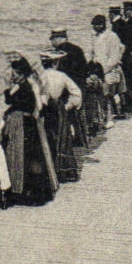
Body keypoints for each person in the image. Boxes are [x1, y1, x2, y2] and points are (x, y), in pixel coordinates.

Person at [2, 55, 57, 204]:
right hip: (23, 124)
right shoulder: (21, 86)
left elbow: (17, 102)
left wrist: (11, 99)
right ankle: (20, 190)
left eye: (17, 74)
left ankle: (24, 192)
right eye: (13, 74)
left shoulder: (26, 87)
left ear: (23, 74)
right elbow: (9, 99)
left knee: (24, 156)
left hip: (24, 125)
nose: (14, 77)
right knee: (22, 156)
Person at [38, 51, 84, 183]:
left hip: (43, 109)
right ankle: (63, 170)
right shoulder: (61, 76)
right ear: (55, 63)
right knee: (61, 138)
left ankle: (46, 171)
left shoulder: (38, 76)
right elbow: (77, 93)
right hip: (58, 110)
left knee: (44, 138)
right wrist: (68, 106)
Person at [90, 14, 125, 127]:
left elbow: (114, 57)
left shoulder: (112, 36)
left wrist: (105, 70)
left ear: (103, 25)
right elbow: (92, 52)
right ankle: (100, 117)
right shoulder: (94, 36)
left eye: (98, 25)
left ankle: (109, 118)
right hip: (98, 69)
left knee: (106, 94)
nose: (96, 27)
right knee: (98, 95)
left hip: (110, 70)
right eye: (94, 25)